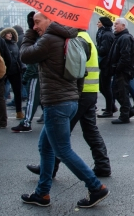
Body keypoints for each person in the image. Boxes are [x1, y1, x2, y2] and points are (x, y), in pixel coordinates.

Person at [20, 11, 109, 208]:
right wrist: (75, 97)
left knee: (62, 149)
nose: (35, 27)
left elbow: (25, 55)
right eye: (32, 24)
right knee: (46, 147)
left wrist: (28, 34)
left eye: (37, 22)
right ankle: (42, 193)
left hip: (56, 103)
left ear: (50, 20)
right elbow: (81, 73)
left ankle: (95, 187)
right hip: (68, 101)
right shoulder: (73, 37)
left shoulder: (50, 39)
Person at [26, 30, 111, 178]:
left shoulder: (78, 39)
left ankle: (49, 168)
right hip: (89, 91)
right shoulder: (85, 37)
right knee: (90, 131)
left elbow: (76, 66)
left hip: (80, 92)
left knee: (58, 135)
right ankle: (102, 165)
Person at [106, 18, 134, 124]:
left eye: (116, 24)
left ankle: (124, 115)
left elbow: (125, 56)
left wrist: (117, 68)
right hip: (121, 70)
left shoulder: (125, 38)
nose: (114, 26)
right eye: (114, 24)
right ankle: (129, 110)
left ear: (123, 26)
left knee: (122, 92)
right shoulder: (120, 37)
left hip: (123, 70)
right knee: (116, 90)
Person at [0, 27, 24, 119]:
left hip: (15, 71)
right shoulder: (1, 43)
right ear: (4, 34)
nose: (10, 35)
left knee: (17, 92)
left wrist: (22, 66)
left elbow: (18, 57)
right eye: (8, 33)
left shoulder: (14, 44)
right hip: (4, 71)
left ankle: (19, 112)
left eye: (11, 33)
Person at [96, 17, 116, 118]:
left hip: (106, 64)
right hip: (105, 64)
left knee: (106, 88)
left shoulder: (106, 35)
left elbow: (104, 50)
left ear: (103, 24)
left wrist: (96, 48)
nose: (97, 24)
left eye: (99, 22)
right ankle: (111, 106)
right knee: (103, 87)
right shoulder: (104, 33)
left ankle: (109, 110)